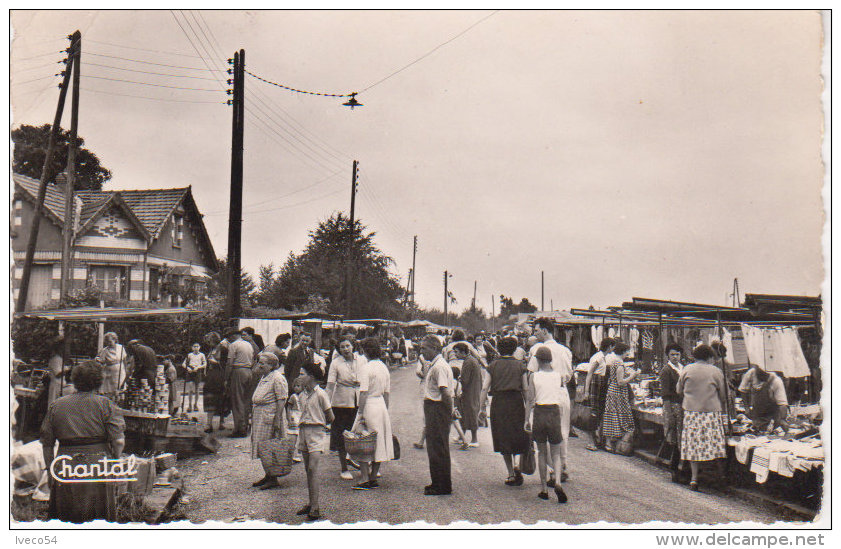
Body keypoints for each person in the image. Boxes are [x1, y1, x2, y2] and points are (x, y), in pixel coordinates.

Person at [40, 360, 126, 523]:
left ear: (75, 380)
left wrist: (50, 470)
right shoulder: (106, 405)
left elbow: (47, 443)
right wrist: (114, 460)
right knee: (98, 515)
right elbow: (119, 441)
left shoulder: (56, 405)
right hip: (98, 463)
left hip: (65, 462)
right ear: (99, 382)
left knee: (67, 513)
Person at [526, 318, 573, 483]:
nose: (535, 333)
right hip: (561, 392)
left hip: (544, 393)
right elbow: (569, 374)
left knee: (542, 432)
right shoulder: (565, 350)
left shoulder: (538, 349)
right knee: (562, 431)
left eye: (537, 330)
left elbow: (531, 373)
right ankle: (562, 466)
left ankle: (552, 469)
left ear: (545, 331)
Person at [677, 344, 728, 491]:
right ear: (710, 357)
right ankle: (717, 476)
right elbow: (723, 395)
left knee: (693, 445)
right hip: (711, 413)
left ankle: (694, 479)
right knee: (713, 444)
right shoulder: (716, 371)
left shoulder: (686, 369)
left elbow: (678, 390)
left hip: (691, 412)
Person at [524, 346, 568, 503]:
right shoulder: (558, 376)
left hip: (540, 413)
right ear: (550, 360)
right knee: (556, 453)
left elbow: (530, 400)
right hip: (554, 412)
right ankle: (556, 482)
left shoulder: (534, 377)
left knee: (542, 452)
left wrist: (526, 420)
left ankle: (543, 489)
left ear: (537, 360)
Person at [352, 337, 395, 490]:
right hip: (381, 406)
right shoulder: (384, 367)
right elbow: (387, 393)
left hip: (369, 405)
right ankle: (373, 477)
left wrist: (361, 413)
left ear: (365, 351)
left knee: (364, 440)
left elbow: (363, 393)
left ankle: (364, 479)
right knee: (379, 441)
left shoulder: (366, 368)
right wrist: (385, 411)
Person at [294, 362, 334, 522]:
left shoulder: (321, 394)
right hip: (303, 432)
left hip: (316, 433)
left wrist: (320, 424)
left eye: (302, 374)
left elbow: (331, 417)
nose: (299, 376)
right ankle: (311, 503)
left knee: (313, 469)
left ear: (311, 377)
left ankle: (316, 507)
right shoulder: (302, 395)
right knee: (307, 470)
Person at [488, 336, 530, 486]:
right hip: (516, 402)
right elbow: (525, 389)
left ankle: (511, 474)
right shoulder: (520, 366)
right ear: (514, 349)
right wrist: (528, 408)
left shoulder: (493, 365)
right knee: (517, 434)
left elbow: (484, 387)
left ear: (499, 349)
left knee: (503, 437)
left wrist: (481, 408)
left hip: (499, 403)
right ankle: (517, 463)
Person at [419, 334, 455, 495]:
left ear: (434, 348)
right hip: (434, 407)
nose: (421, 351)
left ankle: (442, 485)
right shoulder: (435, 364)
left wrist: (449, 410)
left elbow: (445, 392)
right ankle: (437, 482)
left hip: (437, 407)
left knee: (438, 447)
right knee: (434, 446)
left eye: (424, 348)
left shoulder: (439, 366)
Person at [326, 335, 364, 480]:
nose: (345, 349)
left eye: (347, 346)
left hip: (359, 400)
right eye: (342, 347)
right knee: (342, 434)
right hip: (341, 403)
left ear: (353, 346)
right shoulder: (335, 363)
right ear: (339, 349)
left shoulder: (361, 360)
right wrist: (326, 405)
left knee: (359, 432)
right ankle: (344, 468)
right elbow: (330, 385)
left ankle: (360, 463)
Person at [250, 352, 288, 490]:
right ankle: (268, 474)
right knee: (261, 445)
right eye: (260, 362)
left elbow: (282, 399)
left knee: (269, 446)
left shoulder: (277, 378)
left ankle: (273, 478)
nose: (259, 365)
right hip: (260, 414)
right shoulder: (265, 376)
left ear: (272, 365)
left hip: (269, 415)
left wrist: (277, 418)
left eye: (263, 363)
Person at [600, 342, 638, 453]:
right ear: (623, 351)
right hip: (618, 392)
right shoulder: (619, 364)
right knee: (619, 416)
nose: (628, 353)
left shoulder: (614, 362)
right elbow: (620, 382)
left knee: (612, 416)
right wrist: (632, 375)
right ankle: (616, 444)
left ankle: (609, 443)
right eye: (627, 351)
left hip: (613, 391)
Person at [583, 337, 615, 451]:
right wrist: (586, 391)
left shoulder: (603, 357)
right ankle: (591, 441)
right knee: (594, 413)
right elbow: (590, 374)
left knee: (599, 412)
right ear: (610, 346)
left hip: (600, 385)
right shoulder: (598, 357)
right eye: (613, 346)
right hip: (595, 385)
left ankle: (597, 439)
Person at [659, 343, 685, 480]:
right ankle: (674, 469)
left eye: (677, 354)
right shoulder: (666, 370)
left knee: (681, 438)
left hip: (683, 406)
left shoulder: (682, 368)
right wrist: (668, 413)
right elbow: (665, 394)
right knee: (675, 438)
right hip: (673, 406)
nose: (675, 357)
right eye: (672, 354)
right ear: (668, 356)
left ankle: (680, 468)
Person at [738, 365, 790, 433]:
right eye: (759, 373)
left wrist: (783, 419)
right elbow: (742, 390)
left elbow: (782, 403)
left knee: (772, 433)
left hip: (772, 415)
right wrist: (747, 408)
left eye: (764, 374)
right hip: (757, 413)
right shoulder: (751, 373)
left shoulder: (776, 381)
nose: (761, 376)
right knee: (758, 432)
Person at [226, 329, 254, 437]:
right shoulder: (248, 344)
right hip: (248, 371)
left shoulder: (233, 345)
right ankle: (245, 425)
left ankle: (239, 429)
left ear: (234, 336)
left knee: (237, 400)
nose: (229, 339)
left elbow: (229, 363)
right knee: (246, 400)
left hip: (238, 371)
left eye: (229, 337)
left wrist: (226, 378)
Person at [453, 343, 482, 447]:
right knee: (465, 413)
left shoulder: (468, 362)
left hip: (470, 392)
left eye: (456, 352)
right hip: (473, 390)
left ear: (463, 352)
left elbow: (465, 380)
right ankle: (462, 436)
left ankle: (474, 439)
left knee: (470, 413)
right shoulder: (471, 360)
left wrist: (459, 380)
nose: (455, 354)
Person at [203, 331, 229, 433]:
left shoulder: (223, 349)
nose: (208, 343)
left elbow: (226, 364)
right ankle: (209, 423)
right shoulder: (211, 349)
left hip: (219, 375)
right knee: (210, 398)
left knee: (221, 398)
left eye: (209, 341)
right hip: (211, 376)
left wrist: (216, 363)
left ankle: (221, 422)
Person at [95, 332, 128, 399]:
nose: (109, 343)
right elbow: (100, 361)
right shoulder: (105, 350)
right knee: (111, 391)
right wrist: (97, 360)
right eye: (107, 342)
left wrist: (126, 370)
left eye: (110, 341)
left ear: (114, 340)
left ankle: (120, 403)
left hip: (120, 372)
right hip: (110, 374)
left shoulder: (120, 347)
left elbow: (124, 360)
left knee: (120, 389)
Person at [182, 342, 207, 413]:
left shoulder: (202, 355)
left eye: (197, 346)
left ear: (199, 347)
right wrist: (187, 368)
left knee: (197, 389)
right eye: (194, 346)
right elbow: (183, 364)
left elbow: (205, 364)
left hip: (197, 371)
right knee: (190, 389)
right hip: (190, 371)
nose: (196, 348)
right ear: (192, 347)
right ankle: (189, 405)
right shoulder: (189, 355)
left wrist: (198, 367)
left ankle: (195, 405)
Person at [47, 337, 71, 405]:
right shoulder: (55, 359)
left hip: (61, 386)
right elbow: (58, 374)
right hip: (56, 386)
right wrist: (69, 370)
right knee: (53, 405)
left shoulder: (61, 359)